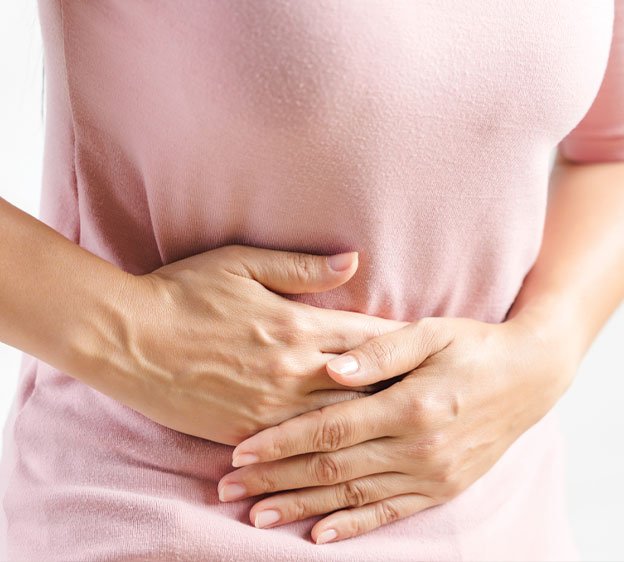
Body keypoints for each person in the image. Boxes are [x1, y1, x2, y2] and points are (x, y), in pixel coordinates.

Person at [1, 1, 623, 560]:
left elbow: (612, 147)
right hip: (166, 517)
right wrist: (129, 333)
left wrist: (549, 346)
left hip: (506, 521)